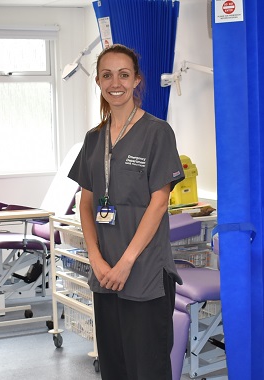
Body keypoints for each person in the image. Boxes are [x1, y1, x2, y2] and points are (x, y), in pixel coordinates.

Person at [68, 44, 185, 380]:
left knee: (146, 369)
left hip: (144, 270)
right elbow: (86, 203)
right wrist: (97, 259)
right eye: (107, 75)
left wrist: (126, 263)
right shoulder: (93, 139)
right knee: (114, 366)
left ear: (137, 80)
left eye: (123, 74)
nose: (115, 82)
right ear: (99, 82)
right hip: (105, 273)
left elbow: (159, 202)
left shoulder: (157, 132)